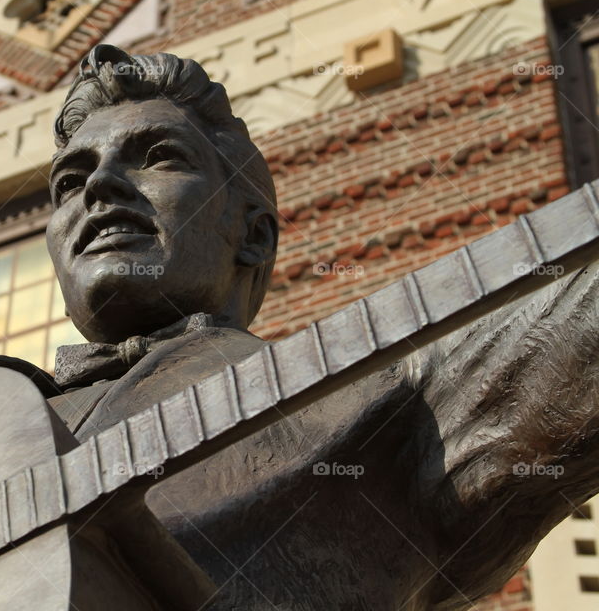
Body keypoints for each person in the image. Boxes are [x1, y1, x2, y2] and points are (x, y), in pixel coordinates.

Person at [41, 44, 599, 609]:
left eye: (159, 157)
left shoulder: (393, 405)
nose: (100, 186)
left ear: (255, 235)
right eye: (69, 182)